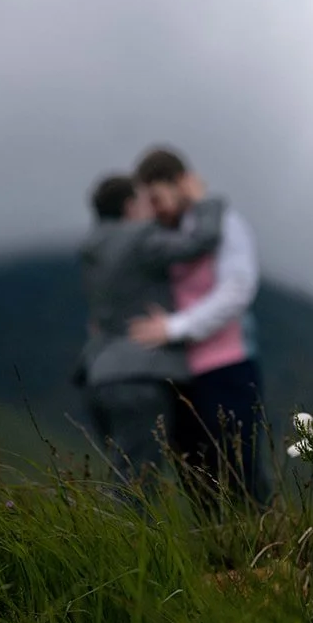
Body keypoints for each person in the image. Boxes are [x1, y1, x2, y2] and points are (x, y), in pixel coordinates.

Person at [126, 146, 268, 503]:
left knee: (240, 472)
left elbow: (237, 289)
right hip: (174, 374)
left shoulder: (225, 224)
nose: (154, 209)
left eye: (157, 198)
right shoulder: (155, 238)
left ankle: (268, 551)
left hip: (227, 366)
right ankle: (222, 555)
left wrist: (175, 327)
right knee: (197, 477)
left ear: (179, 184)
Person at [75, 170, 225, 488]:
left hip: (99, 373)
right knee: (137, 483)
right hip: (141, 375)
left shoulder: (91, 247)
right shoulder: (139, 238)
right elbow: (199, 241)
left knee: (122, 471)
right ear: (130, 206)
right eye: (145, 201)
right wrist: (206, 202)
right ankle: (125, 538)